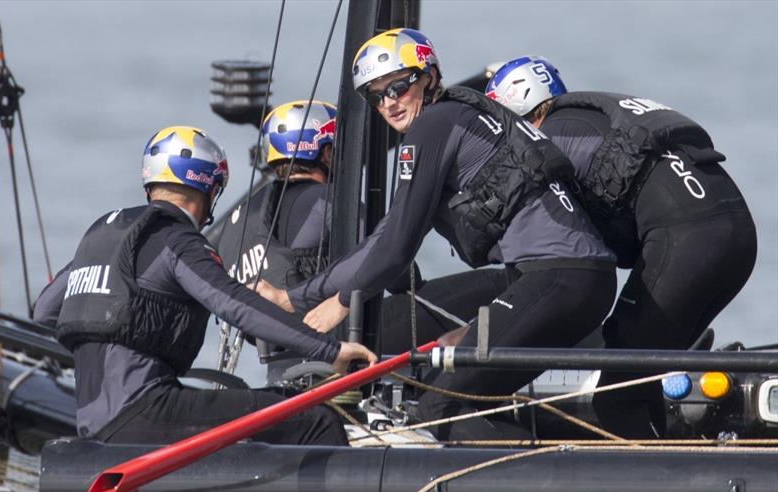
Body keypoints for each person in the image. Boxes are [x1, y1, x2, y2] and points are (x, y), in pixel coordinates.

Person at [253, 29, 617, 441]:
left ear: (428, 76)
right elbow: (387, 235)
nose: (389, 103)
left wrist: (338, 303)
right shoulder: (458, 116)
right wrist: (295, 297)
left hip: (556, 278)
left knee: (439, 404)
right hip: (577, 280)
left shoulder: (432, 127)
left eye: (398, 86)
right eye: (376, 95)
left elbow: (396, 248)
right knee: (471, 393)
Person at [32, 125, 377, 445]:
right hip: (145, 411)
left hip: (91, 422)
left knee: (269, 405)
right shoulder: (176, 240)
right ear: (209, 190)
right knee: (315, 419)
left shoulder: (102, 233)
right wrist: (329, 351)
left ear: (150, 184)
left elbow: (45, 312)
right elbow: (236, 305)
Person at [486, 56, 757, 438]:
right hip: (738, 235)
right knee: (640, 381)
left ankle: (664, 490)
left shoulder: (548, 140)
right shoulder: (590, 117)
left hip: (689, 244)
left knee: (617, 397)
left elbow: (558, 247)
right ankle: (672, 462)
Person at [210, 99, 509, 362]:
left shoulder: (244, 215)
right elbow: (401, 272)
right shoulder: (328, 203)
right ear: (326, 154)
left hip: (282, 356)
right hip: (336, 336)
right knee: (504, 284)